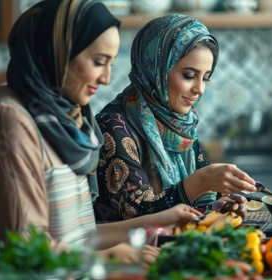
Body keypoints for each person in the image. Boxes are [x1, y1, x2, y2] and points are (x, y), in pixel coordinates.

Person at [0, 1, 200, 277]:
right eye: (99, 61)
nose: (106, 77)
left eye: (111, 63)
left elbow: (77, 237)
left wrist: (158, 220)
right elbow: (28, 251)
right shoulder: (10, 121)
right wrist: (109, 259)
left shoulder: (63, 123)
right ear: (57, 52)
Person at [93, 14, 257, 223]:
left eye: (205, 78)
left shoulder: (182, 127)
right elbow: (135, 212)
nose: (199, 89)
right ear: (156, 68)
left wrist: (221, 202)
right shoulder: (113, 126)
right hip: (127, 254)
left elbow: (200, 200)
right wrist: (201, 181)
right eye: (189, 75)